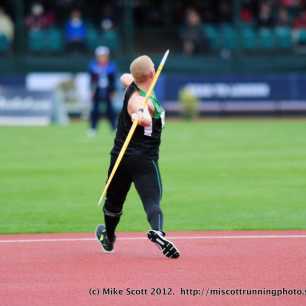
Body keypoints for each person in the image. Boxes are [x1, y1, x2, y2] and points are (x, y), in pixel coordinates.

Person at [95, 55, 180, 259]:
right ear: (152, 74)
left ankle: (109, 237)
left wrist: (129, 78)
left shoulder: (132, 86)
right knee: (152, 201)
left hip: (121, 158)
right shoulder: (140, 100)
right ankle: (158, 231)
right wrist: (139, 115)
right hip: (144, 160)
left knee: (113, 203)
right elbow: (142, 110)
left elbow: (126, 78)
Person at [88, 46, 117, 136]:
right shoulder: (93, 66)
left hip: (108, 90)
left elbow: (113, 80)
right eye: (100, 56)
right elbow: (91, 80)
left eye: (104, 55)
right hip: (97, 90)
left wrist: (113, 91)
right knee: (95, 110)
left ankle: (113, 128)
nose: (102, 57)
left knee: (110, 110)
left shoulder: (112, 66)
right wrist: (91, 91)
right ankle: (93, 128)